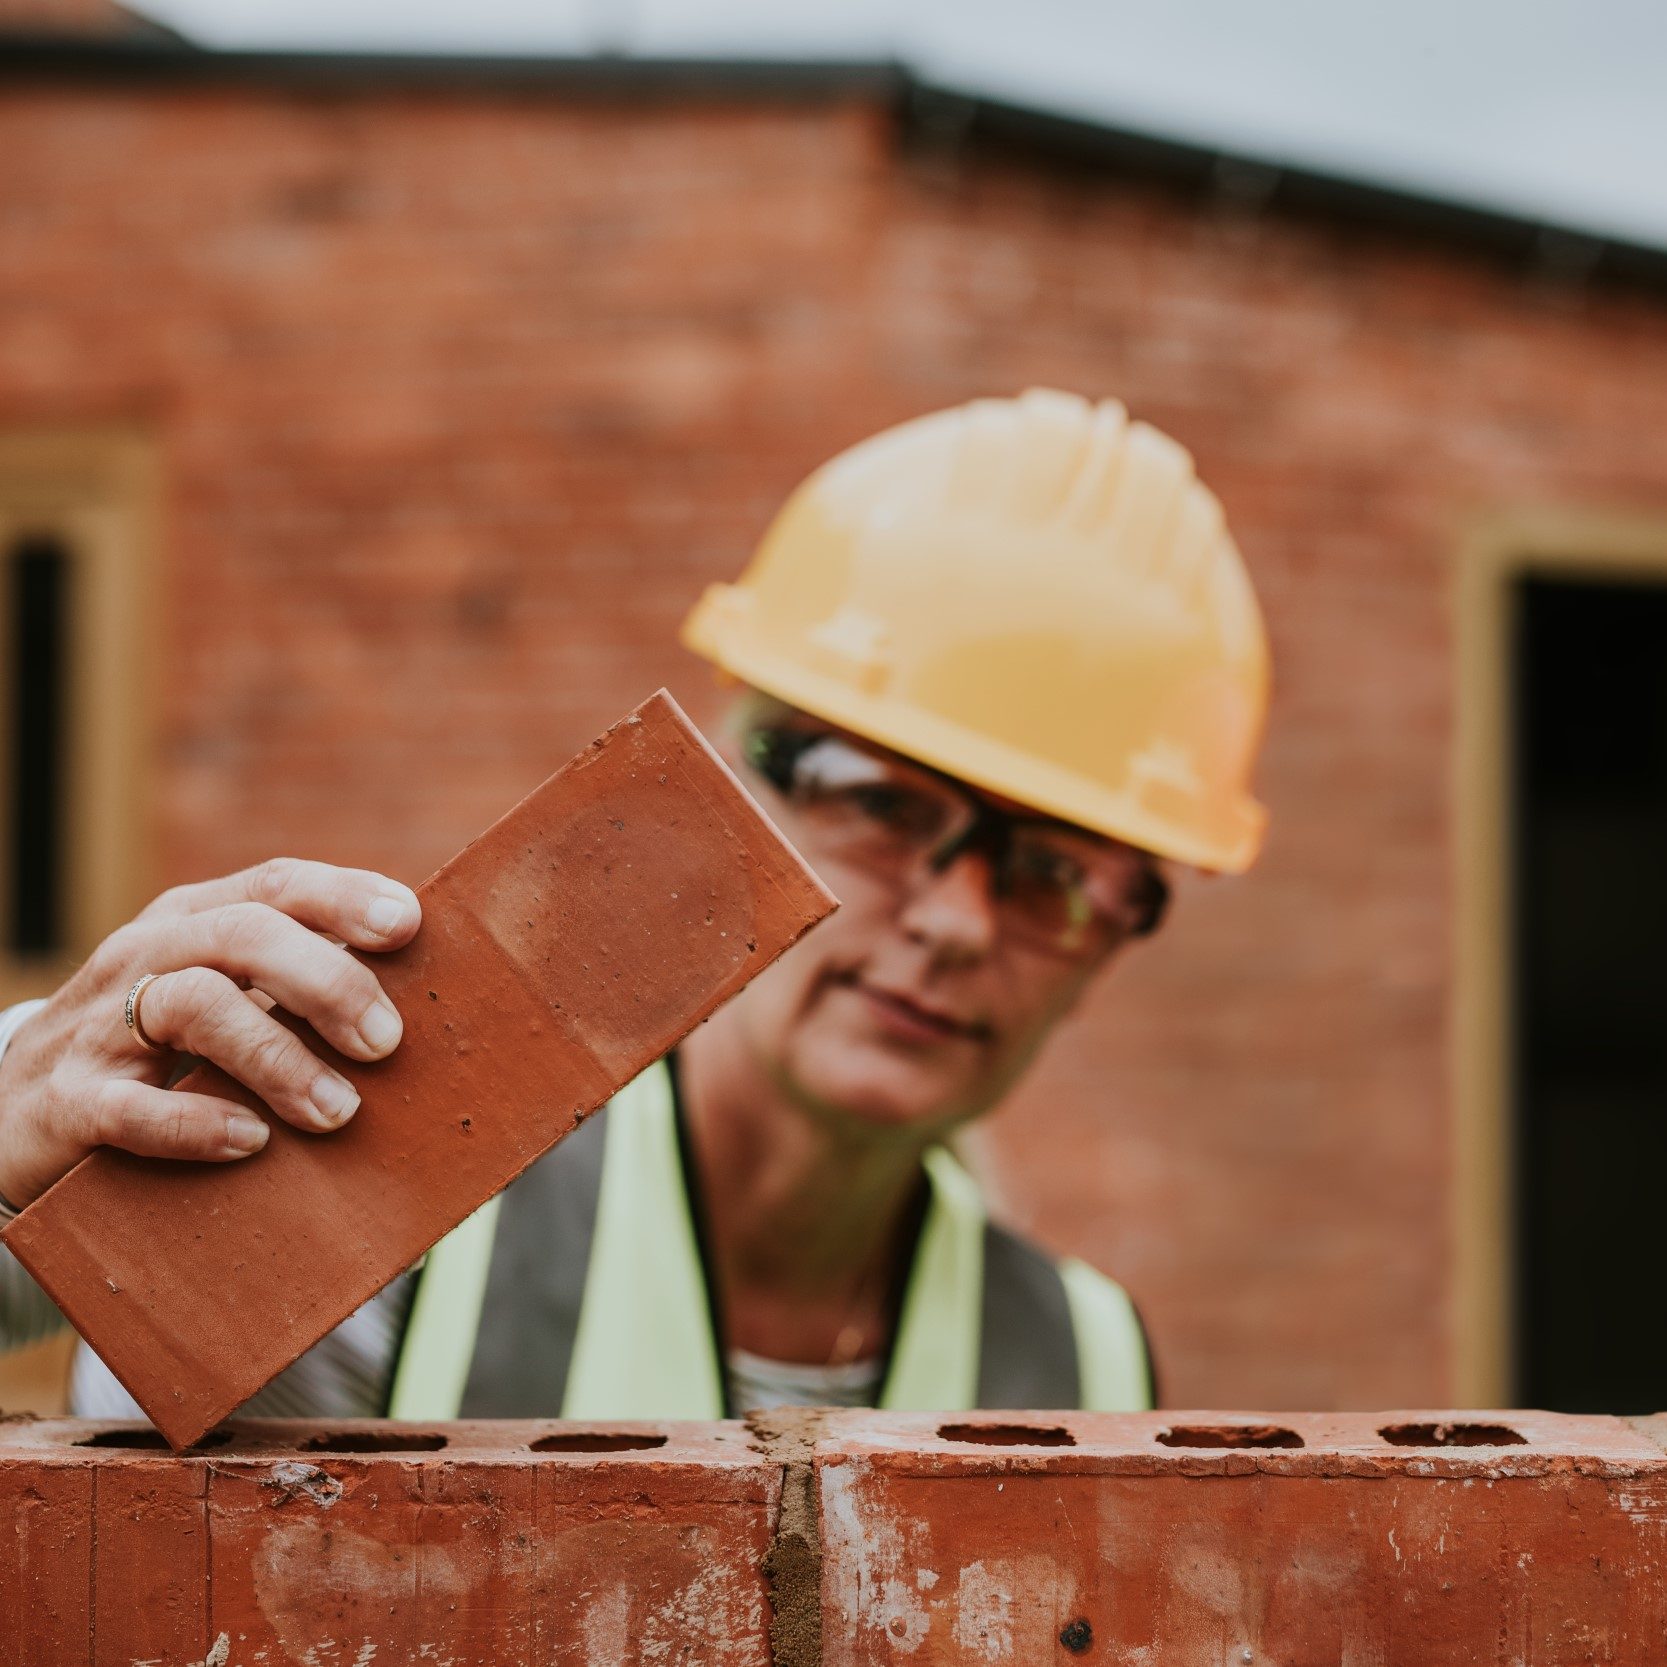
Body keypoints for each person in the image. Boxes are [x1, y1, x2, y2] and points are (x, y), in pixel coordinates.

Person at [0, 388, 1269, 1420]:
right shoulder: (394, 1203)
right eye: (880, 802)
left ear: (1108, 942)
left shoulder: (1089, 1364)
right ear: (733, 786)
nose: (956, 923)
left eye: (1057, 872)